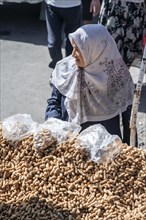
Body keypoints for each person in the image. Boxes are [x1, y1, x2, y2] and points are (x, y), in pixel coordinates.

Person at [45, 24, 135, 143]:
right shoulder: (65, 69)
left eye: (78, 49)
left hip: (105, 146)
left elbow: (130, 118)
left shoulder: (118, 76)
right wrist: (53, 127)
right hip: (68, 143)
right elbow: (54, 102)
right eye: (73, 48)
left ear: (95, 50)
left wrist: (130, 149)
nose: (72, 54)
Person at [98, 0, 145, 145]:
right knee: (108, 54)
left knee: (126, 59)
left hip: (136, 11)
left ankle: (120, 91)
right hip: (114, 9)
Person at [44, 0, 82, 69]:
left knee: (72, 40)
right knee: (53, 43)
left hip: (73, 6)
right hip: (52, 5)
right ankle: (57, 66)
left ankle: (69, 67)